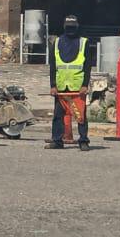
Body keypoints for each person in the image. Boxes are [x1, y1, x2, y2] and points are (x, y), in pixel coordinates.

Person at [48, 14, 93, 151]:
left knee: (80, 115)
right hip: (61, 86)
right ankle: (57, 140)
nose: (71, 30)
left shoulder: (83, 42)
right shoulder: (57, 42)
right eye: (68, 27)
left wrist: (85, 84)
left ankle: (83, 140)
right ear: (64, 27)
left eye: (72, 27)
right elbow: (53, 65)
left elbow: (87, 65)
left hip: (77, 87)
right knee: (58, 116)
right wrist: (53, 85)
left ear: (77, 27)